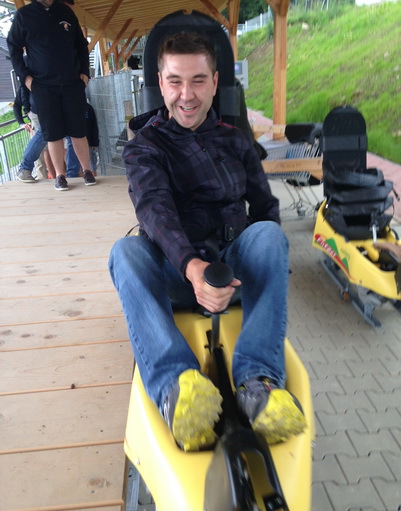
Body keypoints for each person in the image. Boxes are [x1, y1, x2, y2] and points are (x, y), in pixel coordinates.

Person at [108, 32, 306, 452]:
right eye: (175, 81)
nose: (187, 95)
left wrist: (266, 266)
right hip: (175, 272)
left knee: (269, 235)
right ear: (160, 85)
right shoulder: (144, 146)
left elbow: (265, 207)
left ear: (215, 83)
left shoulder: (236, 140)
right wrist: (193, 267)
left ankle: (258, 381)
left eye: (198, 80)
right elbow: (155, 211)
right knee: (125, 252)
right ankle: (175, 386)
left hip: (232, 271)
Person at [7, 0, 96, 191]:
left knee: (78, 131)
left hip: (72, 83)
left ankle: (87, 171)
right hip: (43, 86)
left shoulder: (65, 11)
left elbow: (81, 44)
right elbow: (13, 47)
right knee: (52, 133)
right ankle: (60, 177)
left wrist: (85, 72)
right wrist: (25, 77)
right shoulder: (24, 15)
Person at [13, 82, 55, 182]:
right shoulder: (27, 83)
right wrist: (22, 123)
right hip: (37, 113)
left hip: (44, 110)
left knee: (50, 147)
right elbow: (17, 105)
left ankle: (59, 176)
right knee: (42, 151)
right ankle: (38, 176)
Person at [65, 102, 99, 178]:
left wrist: (94, 142)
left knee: (91, 165)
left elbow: (94, 126)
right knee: (77, 165)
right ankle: (80, 178)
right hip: (74, 143)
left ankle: (92, 177)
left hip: (89, 143)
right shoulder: (67, 107)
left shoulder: (88, 108)